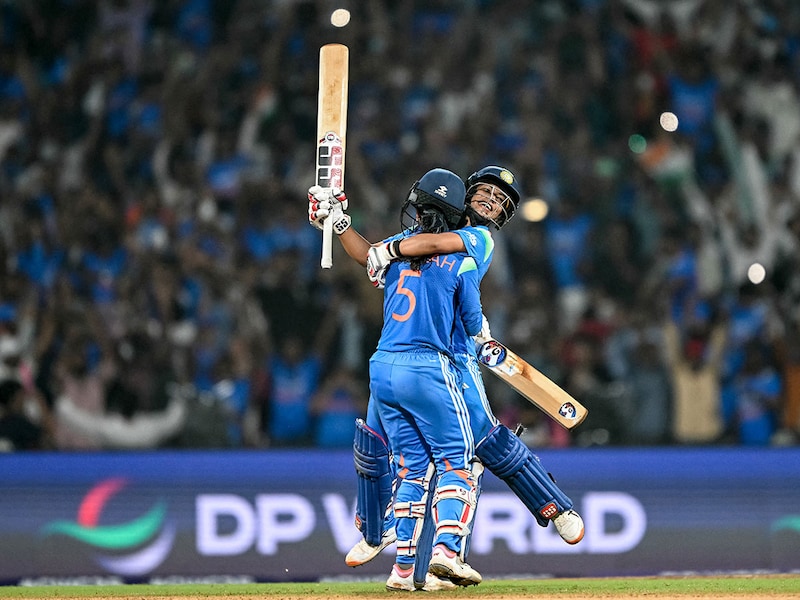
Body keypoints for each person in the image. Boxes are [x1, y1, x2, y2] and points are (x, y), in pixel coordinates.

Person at [309, 166, 585, 585]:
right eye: (486, 191)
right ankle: (383, 537)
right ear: (465, 194)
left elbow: (425, 245)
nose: (491, 200)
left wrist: (388, 250)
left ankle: (553, 507)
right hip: (409, 354)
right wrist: (339, 221)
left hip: (453, 358)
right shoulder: (418, 234)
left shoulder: (478, 237)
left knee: (483, 445)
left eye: (500, 200)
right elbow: (370, 253)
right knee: (375, 444)